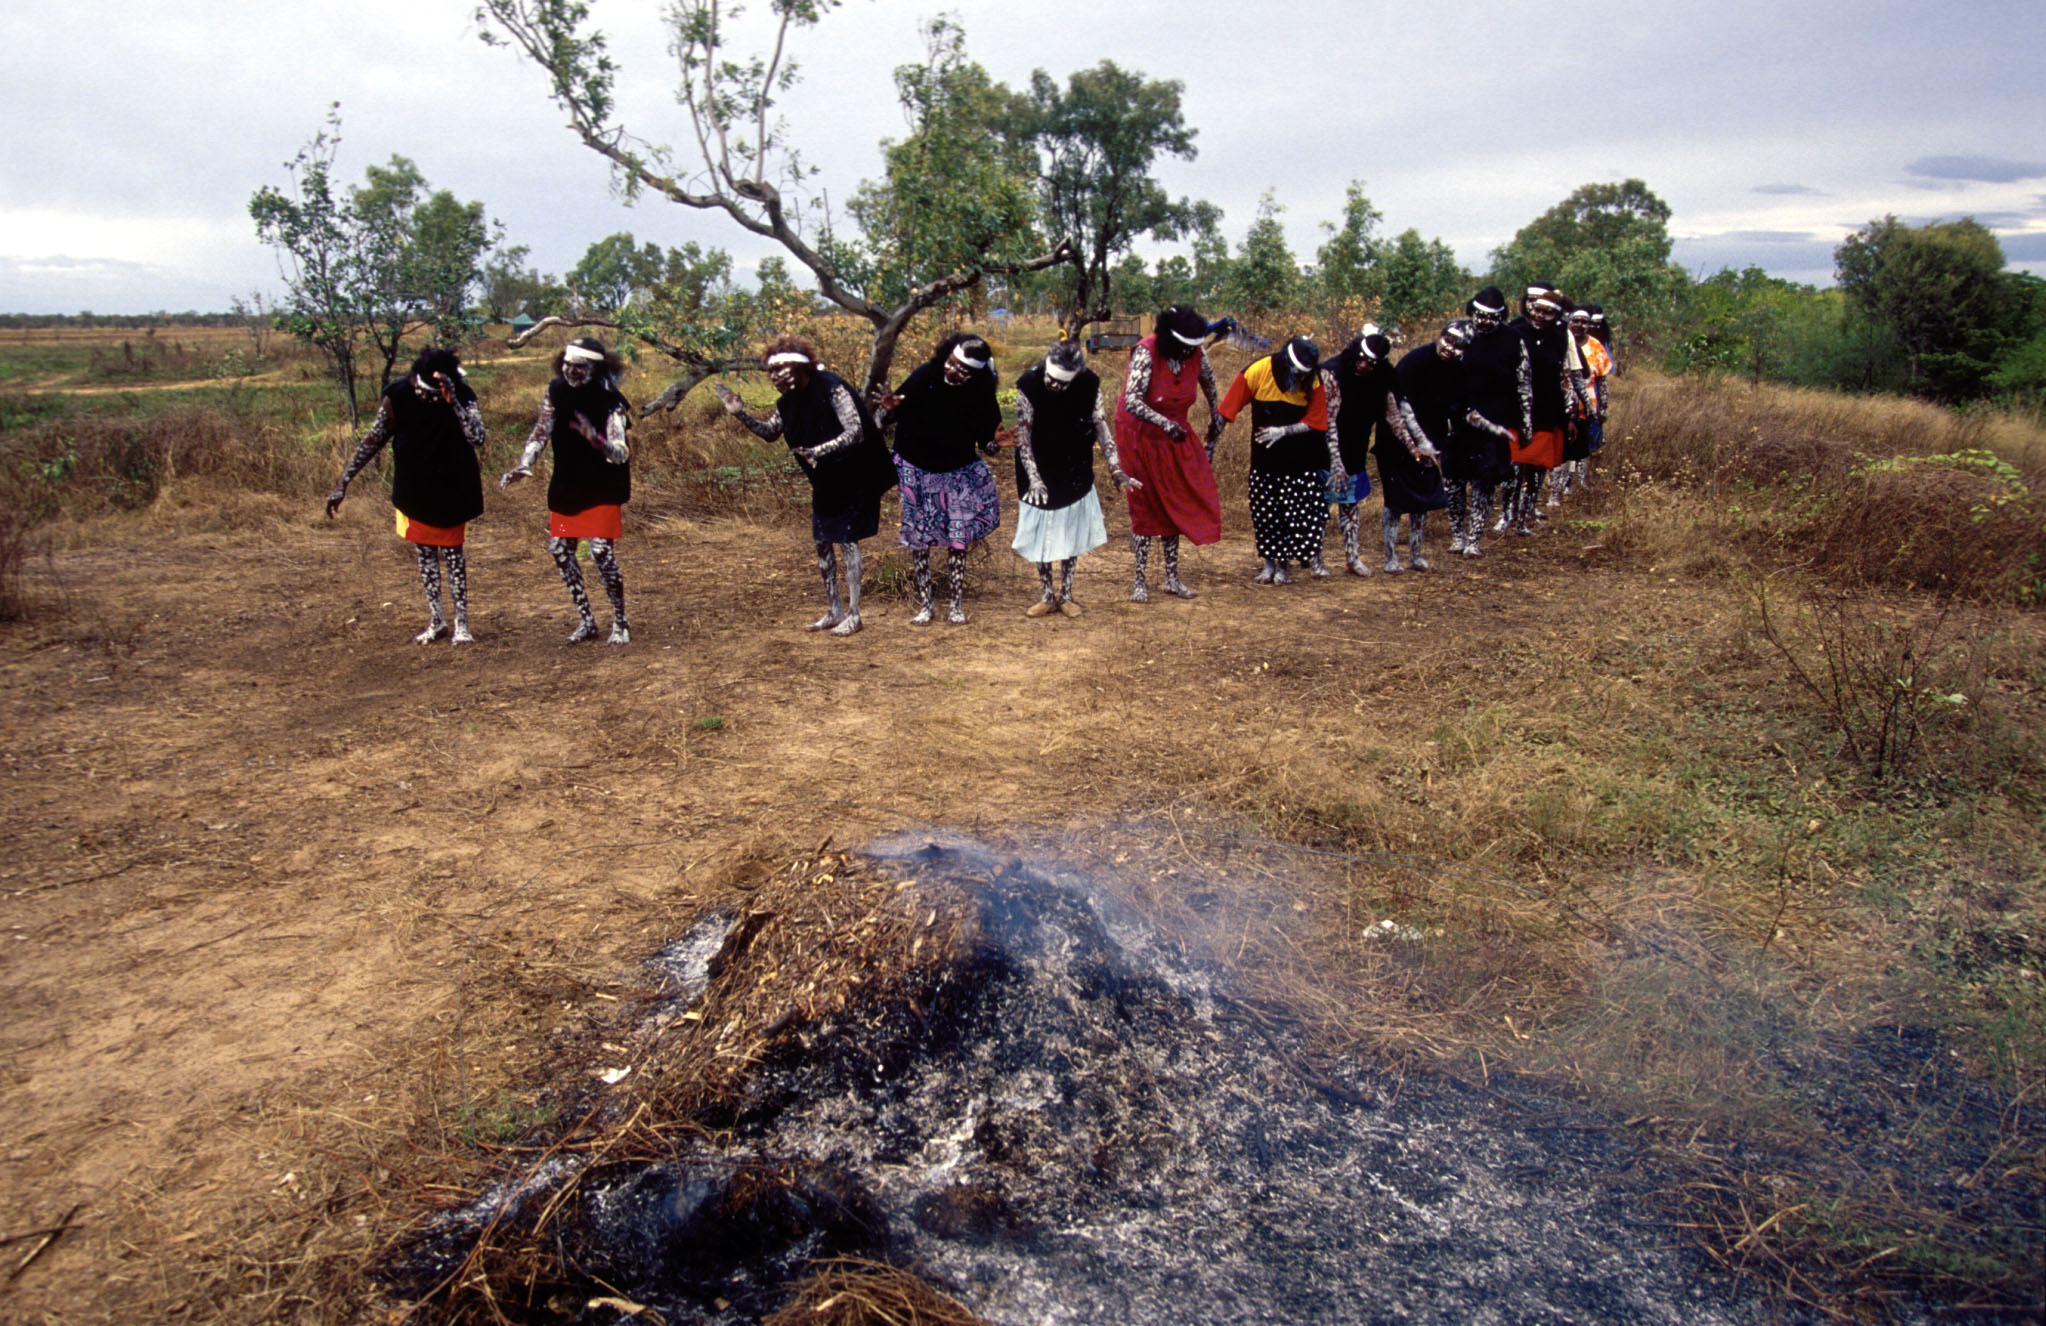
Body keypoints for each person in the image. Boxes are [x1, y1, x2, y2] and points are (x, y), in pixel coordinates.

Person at [713, 337, 894, 636]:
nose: (774, 377)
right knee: (823, 542)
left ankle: (854, 614)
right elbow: (771, 432)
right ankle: (833, 610)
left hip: (854, 473)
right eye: (770, 372)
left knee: (847, 541)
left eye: (781, 369)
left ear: (799, 367)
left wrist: (818, 451)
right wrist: (740, 414)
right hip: (824, 480)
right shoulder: (787, 402)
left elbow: (856, 430)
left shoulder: (831, 386)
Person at [324, 346, 485, 644]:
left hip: (452, 488)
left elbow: (477, 438)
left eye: (432, 394)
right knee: (424, 554)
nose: (425, 398)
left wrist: (454, 404)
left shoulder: (462, 393)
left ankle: (462, 624)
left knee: (453, 556)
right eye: (422, 391)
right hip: (414, 488)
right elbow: (373, 439)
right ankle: (436, 620)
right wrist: (343, 483)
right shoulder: (397, 395)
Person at [500, 337, 633, 644]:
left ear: (594, 369)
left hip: (603, 487)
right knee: (560, 550)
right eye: (567, 365)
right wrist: (525, 462)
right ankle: (586, 621)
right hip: (567, 485)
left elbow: (620, 452)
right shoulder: (555, 390)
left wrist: (596, 440)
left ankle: (620, 622)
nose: (571, 372)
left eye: (579, 367)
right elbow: (541, 429)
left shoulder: (611, 401)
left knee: (601, 552)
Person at [874, 332, 1004, 626]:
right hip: (916, 467)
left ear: (975, 375)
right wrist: (890, 410)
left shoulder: (981, 393)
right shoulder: (925, 375)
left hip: (957, 470)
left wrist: (997, 443)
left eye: (962, 370)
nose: (952, 371)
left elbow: (988, 442)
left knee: (958, 539)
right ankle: (925, 605)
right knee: (919, 539)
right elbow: (896, 411)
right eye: (950, 362)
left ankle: (956, 606)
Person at [1012, 339, 1140, 617]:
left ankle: (1067, 594)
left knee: (1071, 530)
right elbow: (1023, 436)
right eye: (1051, 379)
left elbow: (1101, 426)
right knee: (1041, 533)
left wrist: (1116, 468)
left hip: (1074, 465)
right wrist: (1034, 478)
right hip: (1038, 465)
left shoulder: (1090, 383)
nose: (1055, 387)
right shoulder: (1029, 384)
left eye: (1062, 383)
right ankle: (1047, 595)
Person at [1114, 304, 1225, 601]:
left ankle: (1171, 578)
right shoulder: (1146, 352)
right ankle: (1140, 580)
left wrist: (1217, 413)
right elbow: (1132, 401)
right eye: (1186, 348)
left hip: (1173, 435)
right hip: (1139, 437)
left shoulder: (1196, 354)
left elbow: (1209, 381)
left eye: (1194, 349)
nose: (1191, 354)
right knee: (1144, 502)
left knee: (1173, 500)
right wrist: (1164, 423)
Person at [1217, 336, 1329, 584]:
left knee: (1294, 514)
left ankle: (1284, 567)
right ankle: (1269, 564)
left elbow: (1317, 420)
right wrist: (1209, 446)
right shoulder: (1258, 371)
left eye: (1304, 374)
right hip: (1265, 460)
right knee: (1266, 513)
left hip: (1299, 462)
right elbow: (1227, 409)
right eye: (1296, 372)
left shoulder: (1314, 381)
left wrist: (1285, 431)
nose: (1300, 378)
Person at [1320, 325, 1415, 575]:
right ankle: (1315, 560)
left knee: (1350, 505)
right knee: (1319, 506)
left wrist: (1414, 446)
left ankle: (1352, 558)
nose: (1364, 366)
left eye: (1371, 364)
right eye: (1361, 360)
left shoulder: (1382, 380)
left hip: (1355, 446)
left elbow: (1394, 416)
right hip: (1323, 447)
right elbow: (1327, 421)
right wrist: (1335, 461)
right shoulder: (1333, 372)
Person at [1446, 286, 1527, 558]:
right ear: (1472, 312)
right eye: (1480, 316)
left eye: (1492, 317)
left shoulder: (1513, 340)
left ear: (1502, 317)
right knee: (1454, 481)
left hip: (1496, 421)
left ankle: (1474, 539)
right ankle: (1458, 535)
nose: (1485, 322)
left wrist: (1525, 422)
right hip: (1458, 419)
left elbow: (1524, 384)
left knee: (1484, 482)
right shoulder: (1459, 332)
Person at [1501, 284, 1589, 534]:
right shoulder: (1516, 333)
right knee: (1515, 467)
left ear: (1557, 316)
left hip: (1548, 413)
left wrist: (1572, 415)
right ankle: (1507, 515)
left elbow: (1567, 378)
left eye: (1546, 313)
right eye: (1536, 310)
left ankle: (1526, 516)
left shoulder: (1562, 339)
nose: (1539, 316)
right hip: (1518, 412)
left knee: (1537, 469)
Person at [1379, 323, 1464, 570]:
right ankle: (1390, 558)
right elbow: (1400, 406)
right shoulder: (1414, 361)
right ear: (1440, 336)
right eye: (1447, 340)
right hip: (1397, 441)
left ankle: (1416, 556)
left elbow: (1454, 405)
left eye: (1458, 345)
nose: (1450, 348)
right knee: (1395, 502)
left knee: (1422, 501)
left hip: (1431, 441)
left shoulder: (1456, 368)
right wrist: (1417, 442)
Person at [1554, 307, 1611, 500]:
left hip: (1587, 405)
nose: (1579, 325)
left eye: (1583, 322)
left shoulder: (1596, 347)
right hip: (1562, 404)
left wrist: (1602, 407)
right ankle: (1557, 489)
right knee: (1561, 446)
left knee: (1581, 447)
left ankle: (1574, 483)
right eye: (1575, 321)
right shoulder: (1561, 342)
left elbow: (1602, 380)